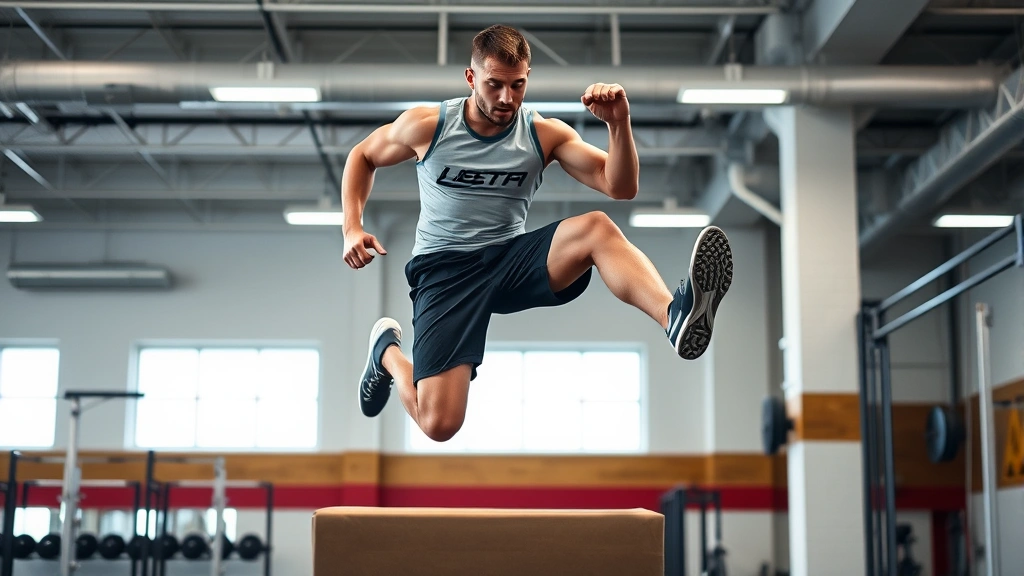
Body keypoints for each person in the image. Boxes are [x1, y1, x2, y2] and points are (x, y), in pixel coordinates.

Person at [342, 24, 733, 442]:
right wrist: (352, 226)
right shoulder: (428, 126)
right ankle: (386, 349)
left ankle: (673, 317)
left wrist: (619, 124)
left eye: (518, 85)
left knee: (597, 228)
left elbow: (619, 186)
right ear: (471, 78)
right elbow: (362, 155)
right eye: (494, 85)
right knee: (439, 425)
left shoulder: (542, 134)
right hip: (445, 272)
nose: (507, 98)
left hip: (510, 259)